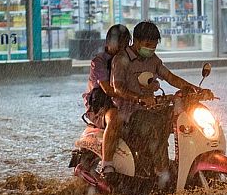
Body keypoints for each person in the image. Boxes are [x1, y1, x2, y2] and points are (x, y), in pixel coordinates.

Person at [111, 21, 208, 181]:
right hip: (130, 114)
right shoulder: (121, 59)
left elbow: (170, 77)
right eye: (148, 45)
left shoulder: (153, 60)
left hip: (152, 109)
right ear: (136, 41)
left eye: (154, 46)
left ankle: (184, 164)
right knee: (157, 125)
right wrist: (139, 98)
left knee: (185, 118)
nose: (151, 49)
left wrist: (195, 90)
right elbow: (118, 88)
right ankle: (161, 172)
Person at [82, 24, 131, 169]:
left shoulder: (129, 61)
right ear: (108, 42)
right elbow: (108, 90)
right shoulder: (99, 62)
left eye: (125, 44)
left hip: (124, 103)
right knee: (115, 119)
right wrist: (135, 95)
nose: (121, 48)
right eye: (118, 44)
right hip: (101, 107)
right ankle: (107, 164)